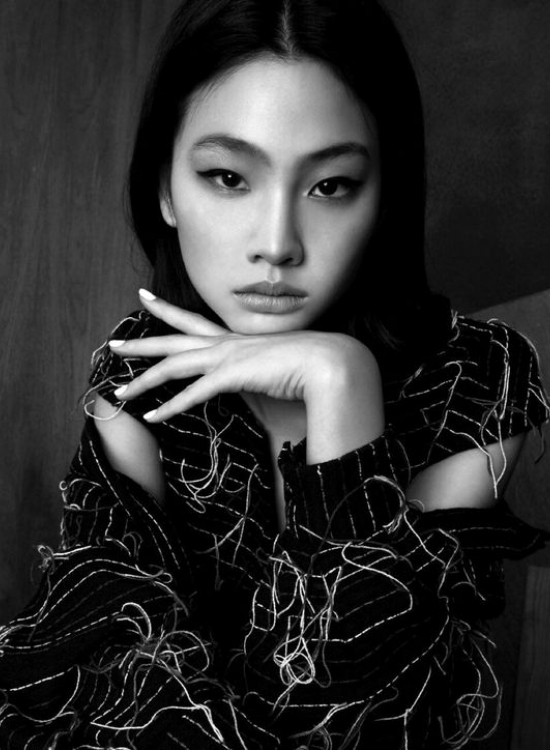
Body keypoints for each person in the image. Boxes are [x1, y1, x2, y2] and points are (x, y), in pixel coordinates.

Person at [0, 0, 548, 747]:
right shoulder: (138, 384)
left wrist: (341, 383)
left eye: (331, 185)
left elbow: (377, 720)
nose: (278, 243)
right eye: (229, 176)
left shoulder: (473, 384)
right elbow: (108, 712)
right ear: (165, 189)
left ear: (384, 196)